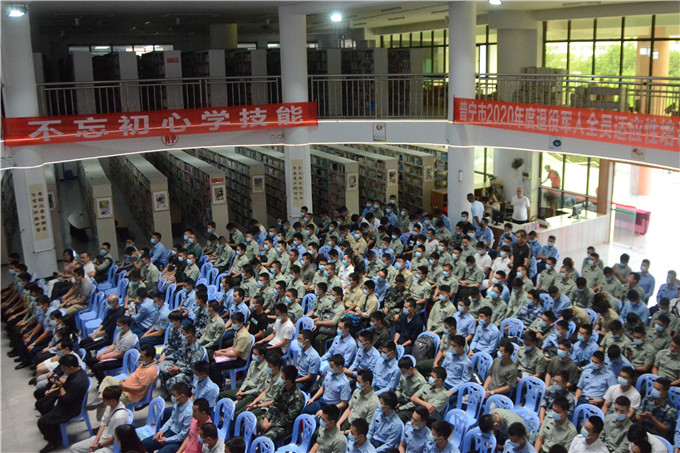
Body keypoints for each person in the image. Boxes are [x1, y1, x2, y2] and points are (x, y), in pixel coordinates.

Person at [88, 344, 159, 420]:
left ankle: (104, 422)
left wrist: (125, 387)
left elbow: (140, 389)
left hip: (130, 395)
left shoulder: (149, 371)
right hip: (126, 385)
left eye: (142, 356)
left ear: (149, 358)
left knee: (106, 401)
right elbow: (136, 376)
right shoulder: (147, 362)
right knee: (107, 379)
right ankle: (100, 398)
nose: (139, 358)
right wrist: (126, 380)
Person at [37, 354, 90, 453]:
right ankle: (54, 431)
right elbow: (68, 387)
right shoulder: (78, 372)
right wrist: (57, 386)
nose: (63, 370)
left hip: (72, 408)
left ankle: (54, 442)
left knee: (41, 422)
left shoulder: (77, 381)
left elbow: (66, 399)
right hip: (70, 400)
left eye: (64, 368)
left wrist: (60, 386)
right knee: (42, 404)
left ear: (71, 367)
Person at [70, 385, 130, 453]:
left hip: (111, 446)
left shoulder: (119, 417)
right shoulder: (109, 406)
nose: (103, 400)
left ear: (112, 400)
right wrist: (95, 441)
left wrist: (98, 446)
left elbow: (114, 438)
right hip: (102, 438)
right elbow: (103, 424)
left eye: (104, 399)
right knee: (74, 448)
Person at [257, 365, 306, 443]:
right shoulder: (282, 388)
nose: (280, 379)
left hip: (285, 426)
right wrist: (266, 418)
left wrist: (270, 424)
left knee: (266, 439)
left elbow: (289, 419)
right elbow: (274, 405)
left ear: (289, 381)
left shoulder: (297, 397)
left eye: (282, 378)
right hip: (274, 417)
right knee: (251, 423)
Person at [141, 382, 192, 453]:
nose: (172, 397)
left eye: (174, 395)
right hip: (170, 432)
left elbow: (183, 436)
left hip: (178, 441)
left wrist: (166, 440)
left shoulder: (189, 413)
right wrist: (161, 431)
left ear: (182, 396)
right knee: (144, 444)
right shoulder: (178, 403)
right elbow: (171, 419)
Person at [85, 315, 137, 383]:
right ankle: (95, 372)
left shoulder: (128, 338)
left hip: (120, 359)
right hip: (114, 354)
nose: (117, 327)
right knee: (91, 360)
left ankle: (102, 382)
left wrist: (105, 357)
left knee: (96, 366)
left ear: (125, 326)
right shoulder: (120, 332)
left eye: (119, 325)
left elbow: (120, 354)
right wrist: (102, 353)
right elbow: (114, 345)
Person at [159, 323, 204, 388]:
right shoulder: (185, 343)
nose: (182, 336)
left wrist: (178, 369)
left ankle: (176, 392)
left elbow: (192, 368)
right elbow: (177, 354)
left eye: (184, 335)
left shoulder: (196, 350)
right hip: (178, 365)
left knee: (170, 383)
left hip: (187, 373)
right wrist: (165, 358)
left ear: (190, 336)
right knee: (161, 367)